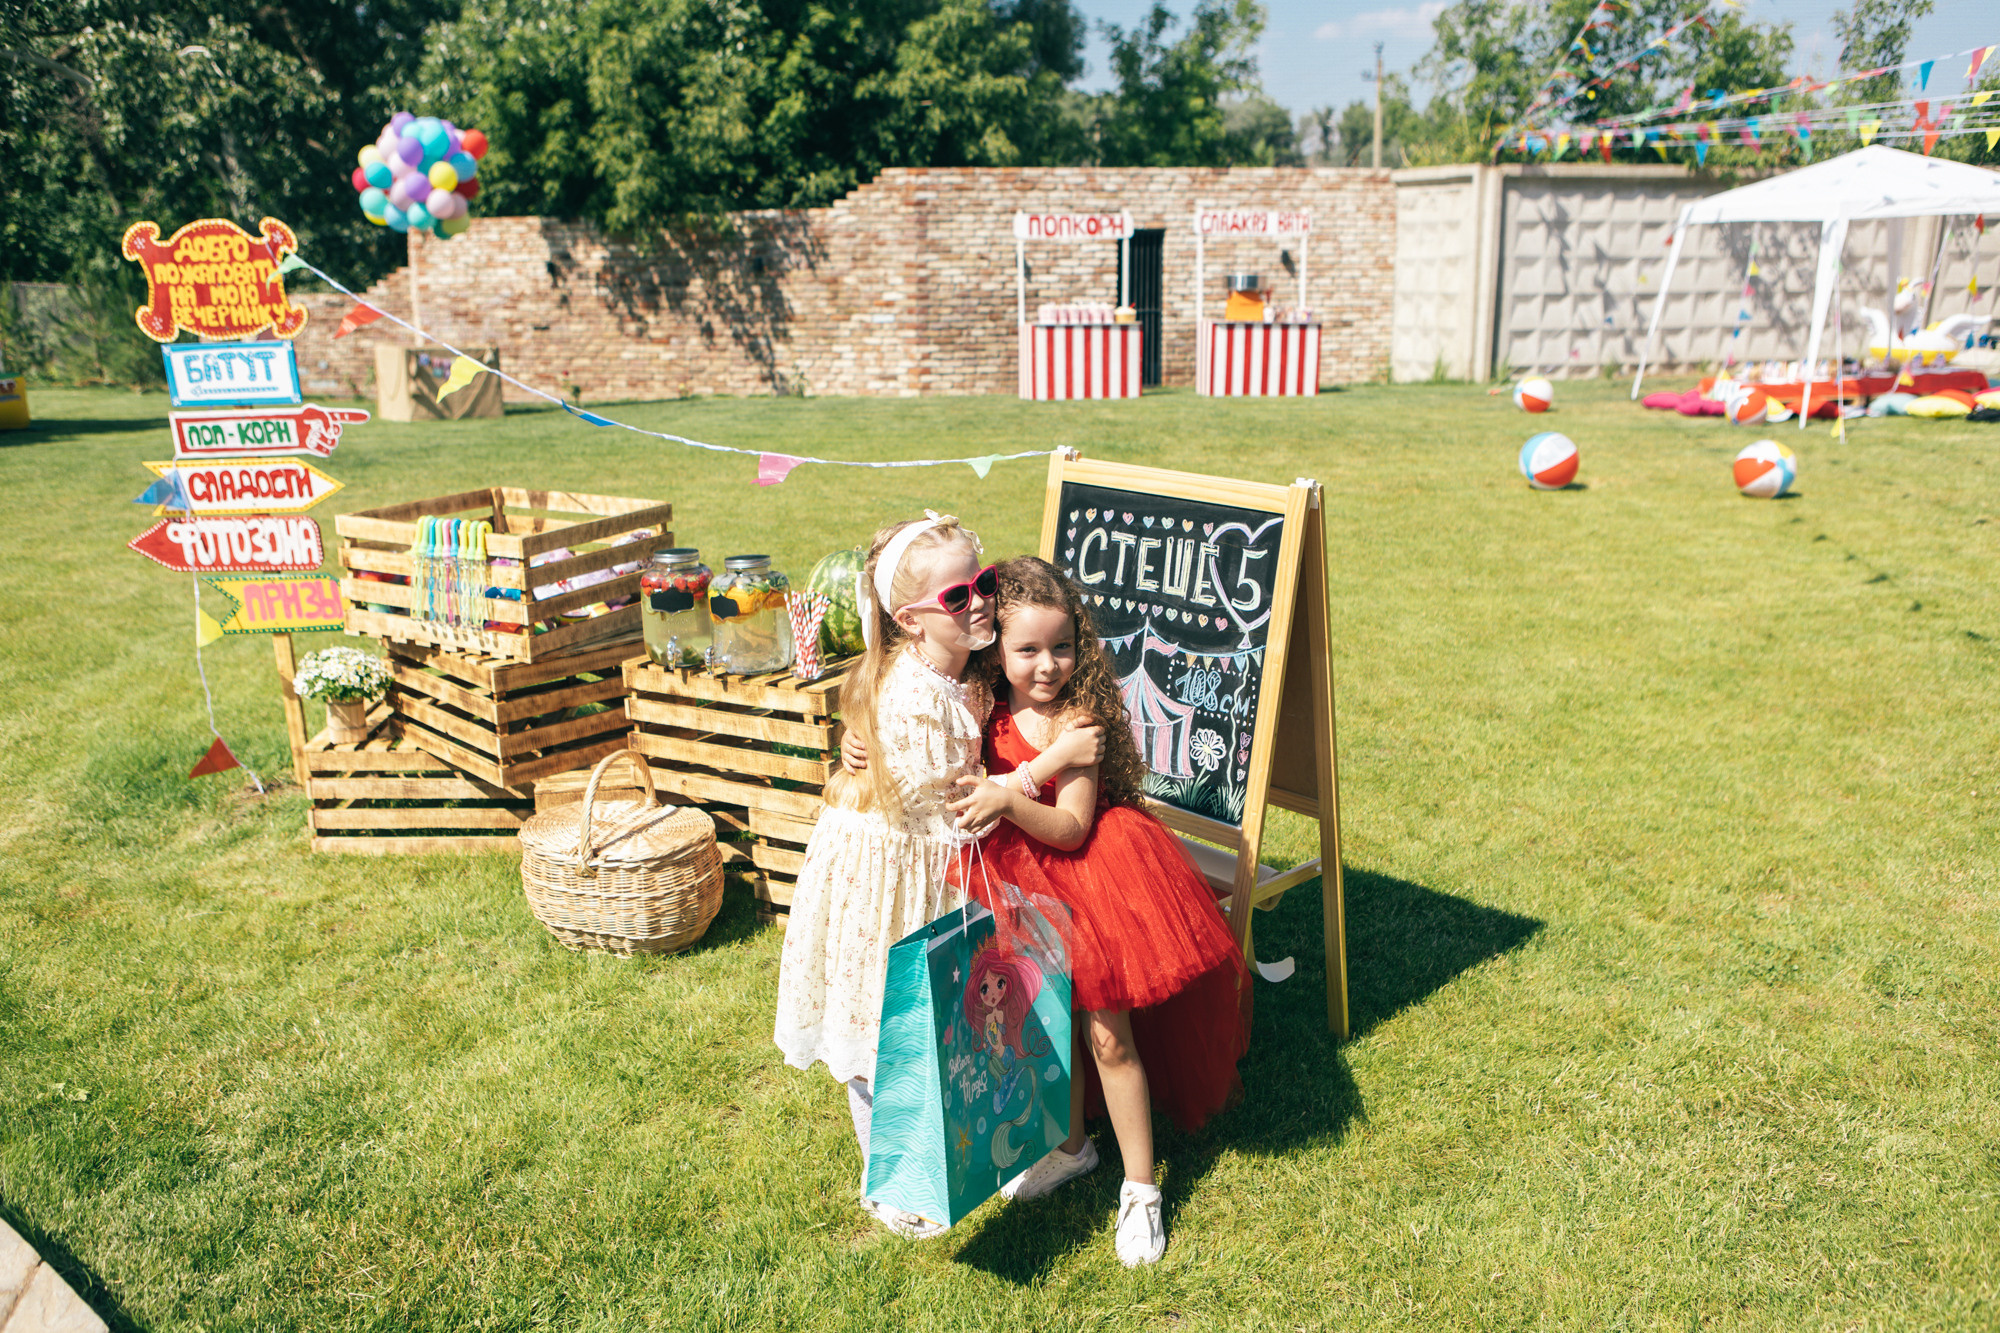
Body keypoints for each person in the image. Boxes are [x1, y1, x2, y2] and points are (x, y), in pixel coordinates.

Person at [846, 556, 1250, 1265]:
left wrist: (1007, 795)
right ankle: (1071, 1146)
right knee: (1040, 1025)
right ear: (996, 649)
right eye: (1027, 649)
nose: (1047, 664)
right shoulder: (983, 704)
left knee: (1106, 1036)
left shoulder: (1079, 724)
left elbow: (1071, 828)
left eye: (1062, 646)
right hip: (1016, 883)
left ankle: (1141, 1190)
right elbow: (911, 713)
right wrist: (856, 741)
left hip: (1093, 883)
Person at [772, 515, 1099, 1239]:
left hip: (940, 860)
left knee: (959, 1016)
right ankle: (886, 1174)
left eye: (983, 583)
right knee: (884, 1019)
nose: (980, 603)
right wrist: (1054, 761)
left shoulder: (966, 668)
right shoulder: (910, 697)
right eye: (959, 596)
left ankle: (996, 1143)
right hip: (888, 871)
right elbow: (963, 798)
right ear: (909, 619)